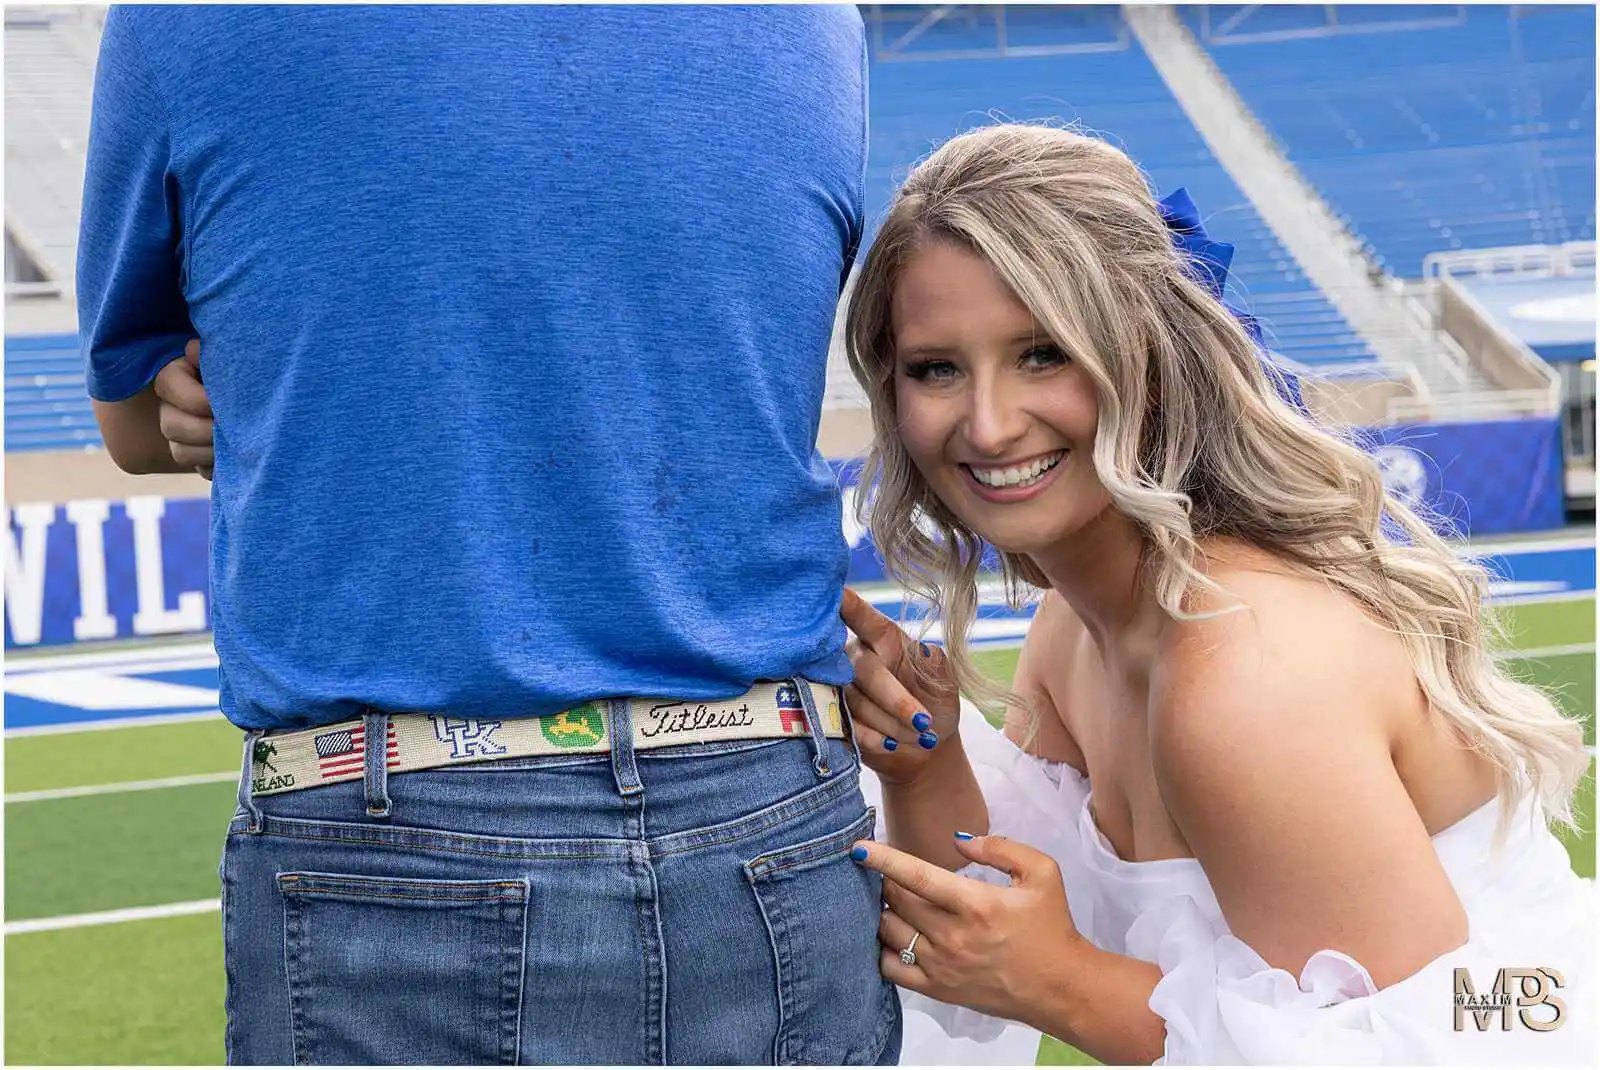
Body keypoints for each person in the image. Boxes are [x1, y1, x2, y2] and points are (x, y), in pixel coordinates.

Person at [78, 6, 907, 1064]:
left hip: (394, 818)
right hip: (770, 791)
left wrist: (203, 390)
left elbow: (135, 425)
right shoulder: (814, 19)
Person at [833, 123, 1594, 1064]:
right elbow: (982, 931)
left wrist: (1063, 982)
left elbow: (1433, 1046)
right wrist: (925, 759)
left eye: (1044, 354)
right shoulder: (1075, 630)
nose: (988, 425)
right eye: (936, 368)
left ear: (1149, 363)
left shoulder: (1243, 673)